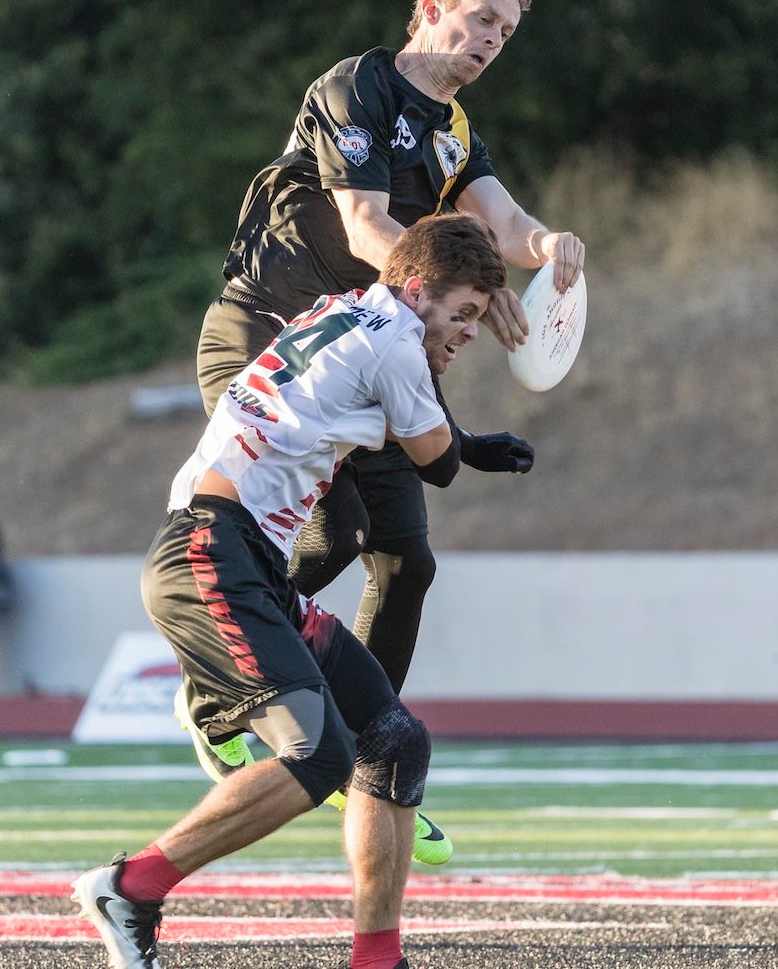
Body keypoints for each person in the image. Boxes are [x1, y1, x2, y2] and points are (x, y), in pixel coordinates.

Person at [189, 0, 583, 856]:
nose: (491, 41)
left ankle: (376, 758)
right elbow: (368, 226)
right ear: (432, 9)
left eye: (506, 32)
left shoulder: (455, 132)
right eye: (481, 19)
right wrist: (466, 284)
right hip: (270, 336)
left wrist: (545, 248)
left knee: (406, 561)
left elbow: (504, 219)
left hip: (366, 354)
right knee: (334, 532)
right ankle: (220, 682)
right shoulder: (356, 89)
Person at [76, 214, 506, 969]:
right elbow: (436, 461)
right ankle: (130, 887)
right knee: (318, 756)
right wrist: (464, 443)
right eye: (464, 313)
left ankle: (377, 960)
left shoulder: (345, 311)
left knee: (394, 741)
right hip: (211, 551)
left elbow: (365, 415)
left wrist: (461, 437)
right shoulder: (397, 340)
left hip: (242, 557)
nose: (469, 332)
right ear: (416, 291)